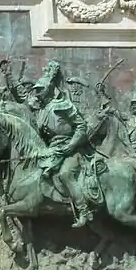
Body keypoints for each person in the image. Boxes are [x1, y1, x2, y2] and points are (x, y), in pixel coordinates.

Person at [29, 60, 94, 228]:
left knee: (65, 174)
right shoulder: (42, 110)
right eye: (36, 90)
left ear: (50, 87)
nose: (37, 93)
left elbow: (81, 126)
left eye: (40, 89)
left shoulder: (63, 105)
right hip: (52, 151)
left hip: (70, 150)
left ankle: (84, 210)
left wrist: (72, 144)